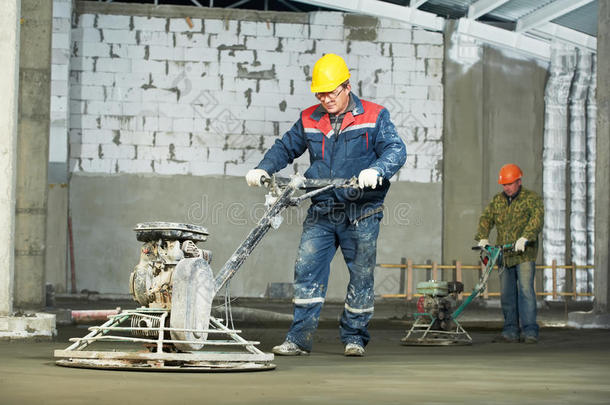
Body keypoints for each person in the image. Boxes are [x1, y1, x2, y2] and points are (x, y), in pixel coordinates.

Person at [245, 53, 406, 357]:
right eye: (320, 93)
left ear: (347, 86)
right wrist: (264, 167)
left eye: (332, 92)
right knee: (306, 269)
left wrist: (378, 170)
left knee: (361, 274)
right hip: (322, 208)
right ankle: (299, 338)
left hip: (362, 210)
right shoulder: (310, 117)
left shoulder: (375, 115)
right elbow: (286, 147)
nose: (326, 98)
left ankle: (355, 336)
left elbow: (396, 149)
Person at [475, 163, 544, 344]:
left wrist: (525, 238)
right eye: (504, 184)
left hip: (524, 255)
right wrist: (482, 237)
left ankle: (530, 331)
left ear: (519, 181)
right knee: (507, 294)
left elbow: (537, 220)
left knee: (526, 292)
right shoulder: (497, 200)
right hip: (504, 255)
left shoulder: (531, 199)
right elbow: (486, 218)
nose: (507, 187)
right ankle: (510, 330)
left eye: (510, 184)